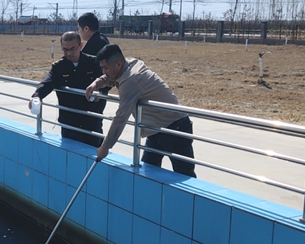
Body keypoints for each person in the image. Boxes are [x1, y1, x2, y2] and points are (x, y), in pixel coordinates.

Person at [85, 43, 196, 177]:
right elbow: (111, 79)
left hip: (175, 128)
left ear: (118, 64)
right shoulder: (129, 64)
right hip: (155, 129)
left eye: (105, 68)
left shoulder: (131, 80)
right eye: (102, 68)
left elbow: (121, 118)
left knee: (184, 174)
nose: (104, 72)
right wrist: (97, 83)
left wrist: (105, 146)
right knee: (148, 172)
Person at [30, 31, 106, 147]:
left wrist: (99, 92)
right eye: (65, 49)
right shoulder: (59, 67)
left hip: (91, 121)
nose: (69, 53)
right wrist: (37, 96)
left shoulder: (94, 63)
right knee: (70, 153)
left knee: (94, 151)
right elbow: (47, 83)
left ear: (81, 46)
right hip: (69, 123)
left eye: (72, 49)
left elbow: (107, 80)